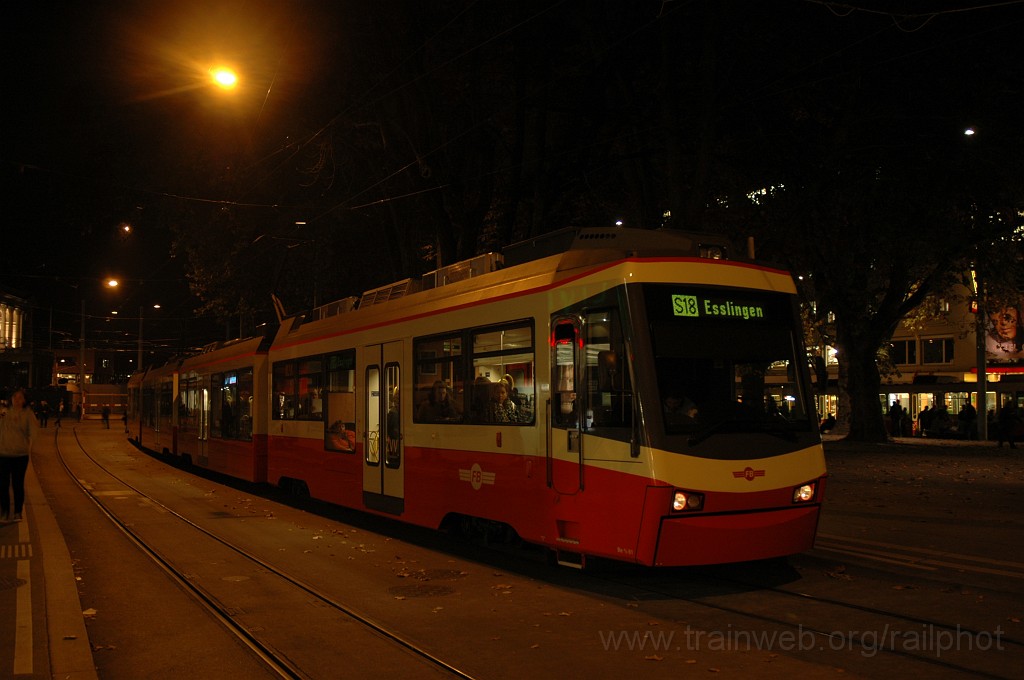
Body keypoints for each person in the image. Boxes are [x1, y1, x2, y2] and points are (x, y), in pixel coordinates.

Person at [1, 388, 38, 522]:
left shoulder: (28, 414)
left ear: (24, 401)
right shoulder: (3, 413)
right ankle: (4, 511)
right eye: (14, 397)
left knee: (17, 484)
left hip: (20, 455)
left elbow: (34, 433)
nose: (17, 400)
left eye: (20, 397)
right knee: (3, 485)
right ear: (10, 399)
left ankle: (18, 511)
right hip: (3, 454)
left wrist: (28, 446)